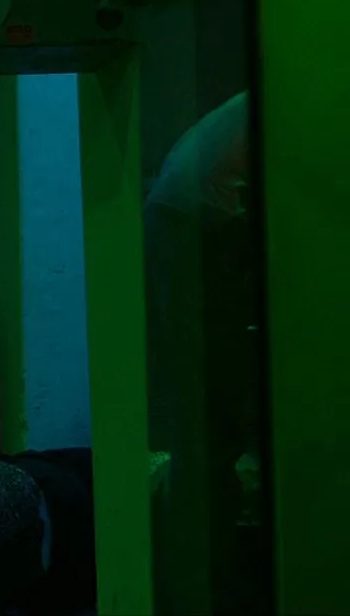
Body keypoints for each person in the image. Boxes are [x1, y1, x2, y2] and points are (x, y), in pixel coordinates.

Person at [143, 91, 262, 614]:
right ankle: (209, 588)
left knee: (206, 423)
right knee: (207, 425)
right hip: (198, 222)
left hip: (191, 215)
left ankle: (206, 584)